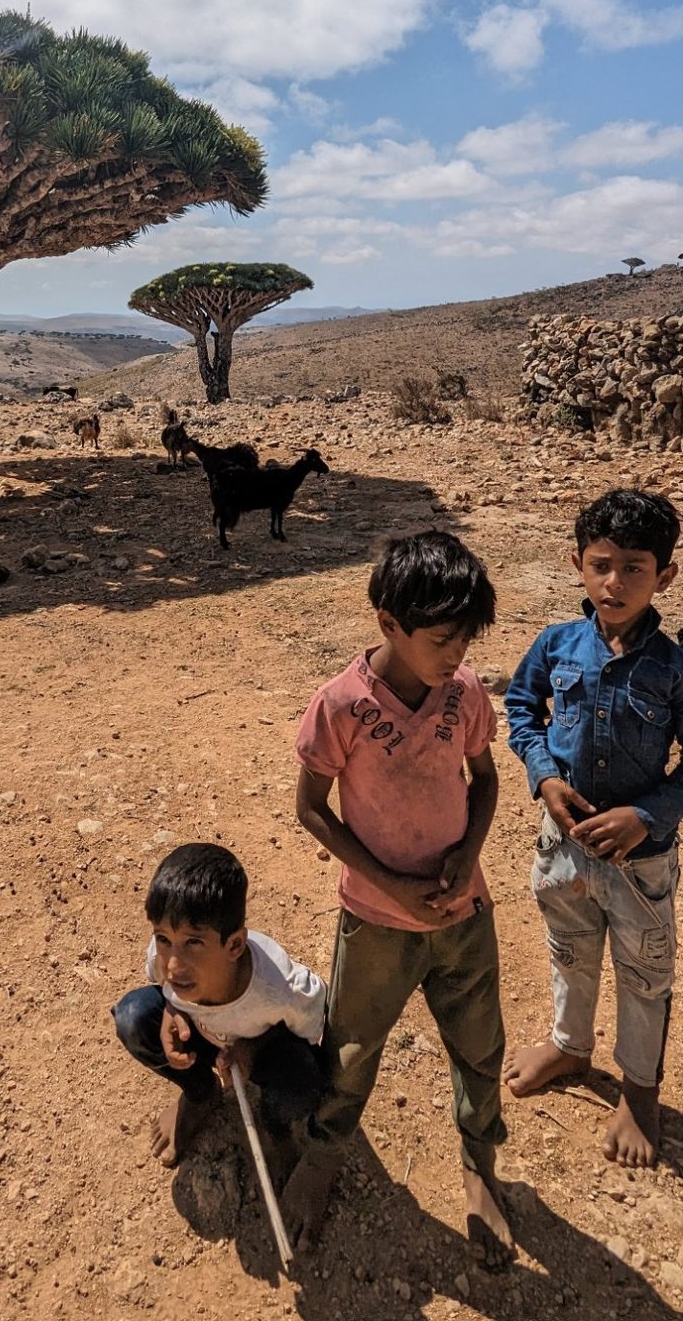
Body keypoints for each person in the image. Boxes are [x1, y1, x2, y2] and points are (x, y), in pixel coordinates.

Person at [290, 530, 512, 1269]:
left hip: (462, 914)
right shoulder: (340, 706)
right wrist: (392, 886)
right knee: (351, 1048)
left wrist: (468, 855)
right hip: (377, 920)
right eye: (442, 638)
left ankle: (480, 1165)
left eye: (466, 638)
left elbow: (485, 780)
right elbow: (312, 809)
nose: (456, 654)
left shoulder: (465, 693)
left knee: (479, 1046)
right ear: (389, 623)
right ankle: (324, 1154)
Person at [504, 487, 682, 1168]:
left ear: (664, 575)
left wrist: (645, 816)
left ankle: (639, 1091)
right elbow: (523, 708)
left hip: (642, 863)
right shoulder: (556, 645)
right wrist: (545, 776)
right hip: (564, 850)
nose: (614, 582)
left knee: (645, 973)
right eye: (601, 565)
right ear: (577, 564)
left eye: (634, 568)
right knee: (570, 952)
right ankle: (569, 1047)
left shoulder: (673, 667)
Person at [112, 842, 327, 1171]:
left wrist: (252, 1048)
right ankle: (200, 1094)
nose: (173, 965)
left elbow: (313, 1026)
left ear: (235, 944)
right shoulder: (163, 960)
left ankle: (275, 1129)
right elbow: (163, 984)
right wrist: (173, 1008)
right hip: (202, 1033)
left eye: (193, 943)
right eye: (163, 938)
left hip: (262, 1047)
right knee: (133, 1018)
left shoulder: (282, 990)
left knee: (302, 1083)